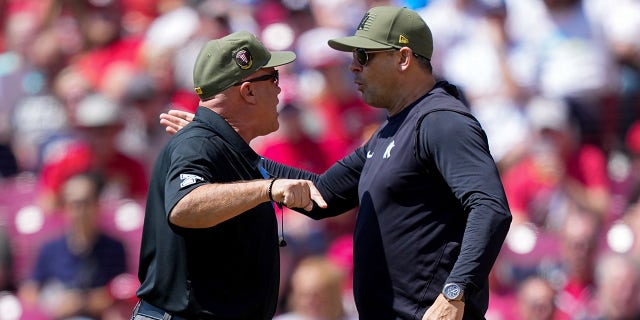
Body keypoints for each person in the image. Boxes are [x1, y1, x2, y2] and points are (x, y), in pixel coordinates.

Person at [161, 6, 512, 320]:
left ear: (403, 58)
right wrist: (226, 144)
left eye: (364, 55)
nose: (354, 66)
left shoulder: (441, 120)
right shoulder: (392, 130)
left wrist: (456, 292)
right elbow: (320, 195)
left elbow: (490, 207)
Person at [132, 31, 327, 320]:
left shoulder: (221, 148)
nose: (279, 90)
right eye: (273, 78)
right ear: (247, 91)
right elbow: (184, 205)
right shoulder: (197, 143)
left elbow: (323, 190)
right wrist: (267, 188)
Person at [18, 172, 128, 319]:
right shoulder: (49, 249)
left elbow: (118, 293)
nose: (80, 211)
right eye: (74, 204)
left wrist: (80, 302)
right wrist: (53, 303)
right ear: (65, 208)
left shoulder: (114, 248)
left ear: (97, 204)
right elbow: (29, 292)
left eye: (86, 203)